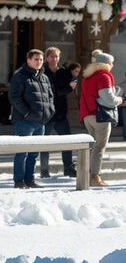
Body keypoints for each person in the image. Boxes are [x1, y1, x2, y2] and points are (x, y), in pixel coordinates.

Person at [9, 48, 54, 189]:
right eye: (36, 59)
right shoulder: (20, 76)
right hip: (24, 121)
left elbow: (50, 97)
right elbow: (14, 98)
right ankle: (19, 181)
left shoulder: (44, 77)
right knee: (23, 152)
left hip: (40, 122)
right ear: (28, 60)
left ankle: (30, 180)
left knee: (34, 153)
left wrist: (50, 111)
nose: (39, 62)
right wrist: (27, 113)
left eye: (41, 59)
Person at [80, 48, 121, 189]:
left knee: (92, 148)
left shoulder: (87, 77)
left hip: (87, 115)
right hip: (100, 116)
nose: (113, 66)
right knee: (99, 148)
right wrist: (120, 99)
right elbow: (108, 99)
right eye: (112, 63)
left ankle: (86, 175)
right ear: (106, 64)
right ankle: (94, 177)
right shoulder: (104, 76)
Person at [41, 47, 78, 178]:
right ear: (46, 58)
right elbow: (53, 91)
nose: (54, 59)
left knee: (67, 141)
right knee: (44, 143)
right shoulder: (42, 71)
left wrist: (71, 86)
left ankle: (68, 168)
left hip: (61, 112)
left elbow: (69, 86)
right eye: (51, 56)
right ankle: (44, 170)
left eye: (56, 56)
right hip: (46, 113)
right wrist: (68, 88)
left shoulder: (63, 71)